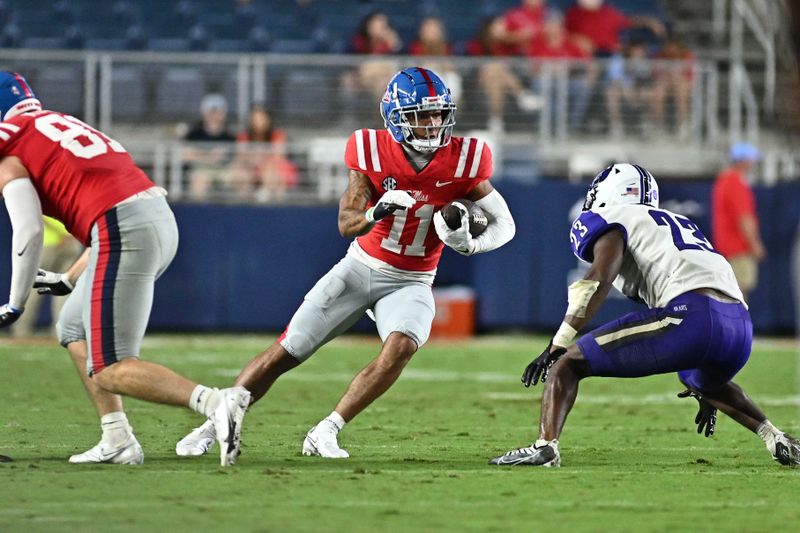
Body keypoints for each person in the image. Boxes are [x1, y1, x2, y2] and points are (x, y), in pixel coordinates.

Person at [175, 67, 516, 459]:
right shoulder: (370, 150)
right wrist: (376, 212)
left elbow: (505, 224)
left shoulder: (466, 158)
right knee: (288, 350)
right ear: (396, 117)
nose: (432, 124)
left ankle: (326, 431)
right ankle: (212, 423)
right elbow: (346, 223)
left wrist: (471, 245)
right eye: (422, 115)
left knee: (402, 346)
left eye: (438, 114)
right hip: (360, 267)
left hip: (413, 279)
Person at [0, 71, 249, 467]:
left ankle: (217, 403)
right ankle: (117, 436)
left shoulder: (12, 150)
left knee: (110, 367)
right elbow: (107, 206)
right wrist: (69, 278)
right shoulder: (55, 124)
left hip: (123, 228)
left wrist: (15, 303)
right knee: (72, 329)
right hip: (149, 218)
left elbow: (28, 231)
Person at [489, 163, 799, 467]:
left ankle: (545, 446)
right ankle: (775, 437)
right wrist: (705, 386)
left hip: (693, 317)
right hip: (740, 328)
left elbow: (598, 278)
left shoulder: (613, 216)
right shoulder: (676, 221)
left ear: (607, 193)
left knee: (567, 363)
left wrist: (559, 341)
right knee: (694, 377)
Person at [711, 142, 766, 302]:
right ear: (743, 160)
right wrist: (755, 244)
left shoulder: (723, 181)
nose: (754, 163)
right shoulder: (735, 183)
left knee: (733, 291)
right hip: (738, 247)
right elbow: (744, 218)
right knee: (739, 291)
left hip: (727, 246)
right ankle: (737, 326)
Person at [466, 15, 542, 132]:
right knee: (493, 67)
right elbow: (475, 64)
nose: (502, 28)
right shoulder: (478, 43)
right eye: (498, 25)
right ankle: (522, 95)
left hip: (499, 82)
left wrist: (508, 37)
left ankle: (495, 120)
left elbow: (521, 48)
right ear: (489, 28)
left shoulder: (508, 45)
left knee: (496, 81)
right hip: (480, 80)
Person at [10, 216, 83, 337]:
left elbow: (36, 214)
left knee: (33, 287)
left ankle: (21, 330)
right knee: (64, 287)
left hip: (48, 244)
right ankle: (61, 332)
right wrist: (71, 235)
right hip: (72, 241)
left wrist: (63, 234)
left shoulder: (40, 196)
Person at [231, 103, 299, 202]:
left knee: (269, 170)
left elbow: (279, 157)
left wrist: (258, 157)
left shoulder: (278, 135)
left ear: (268, 120)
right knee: (241, 173)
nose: (258, 122)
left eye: (261, 119)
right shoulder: (244, 137)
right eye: (255, 119)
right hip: (252, 171)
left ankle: (271, 199)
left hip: (276, 172)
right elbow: (241, 157)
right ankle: (243, 202)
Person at [182, 93, 236, 199]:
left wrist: (200, 154)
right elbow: (186, 155)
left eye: (218, 112)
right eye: (211, 112)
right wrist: (209, 156)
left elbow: (234, 157)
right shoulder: (193, 134)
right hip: (200, 169)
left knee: (239, 178)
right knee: (199, 179)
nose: (214, 116)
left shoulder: (229, 136)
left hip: (223, 170)